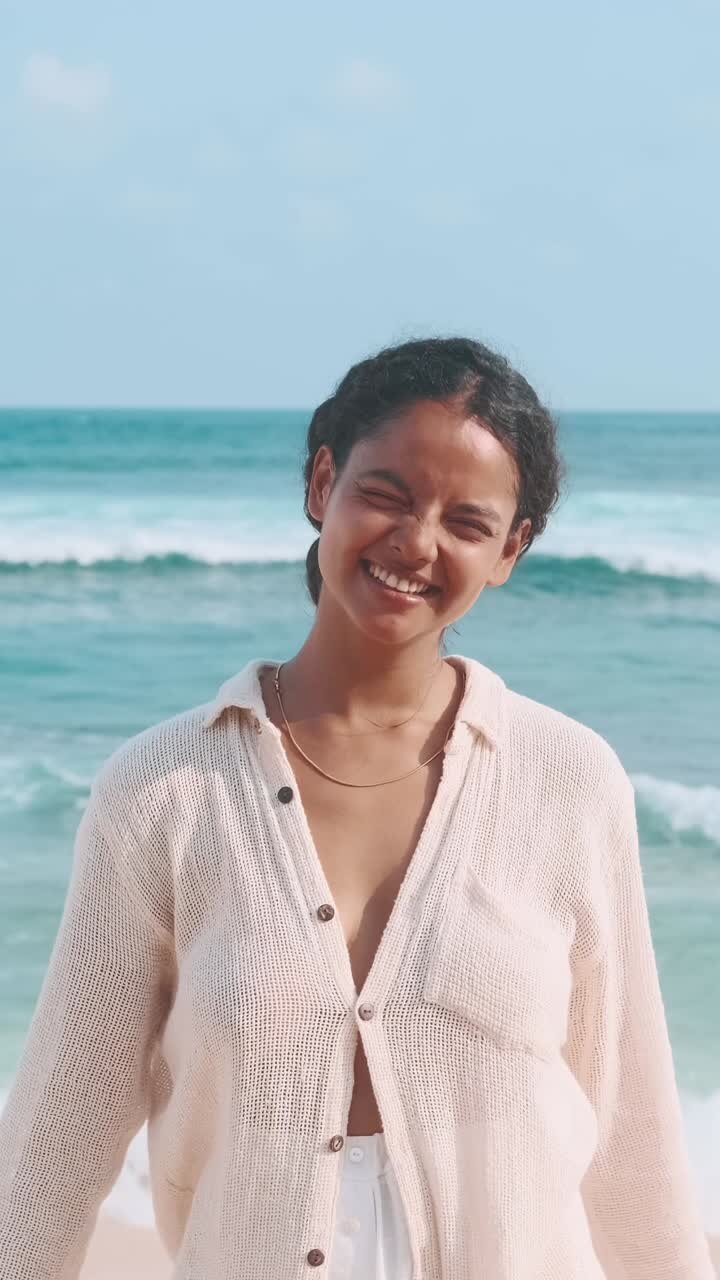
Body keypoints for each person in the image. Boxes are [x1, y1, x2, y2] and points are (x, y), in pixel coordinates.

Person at [0, 337, 713, 1280]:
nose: (416, 541)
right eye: (387, 494)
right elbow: (61, 1131)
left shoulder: (568, 781)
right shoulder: (163, 791)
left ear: (511, 550)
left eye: (467, 521)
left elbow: (630, 1132)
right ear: (321, 484)